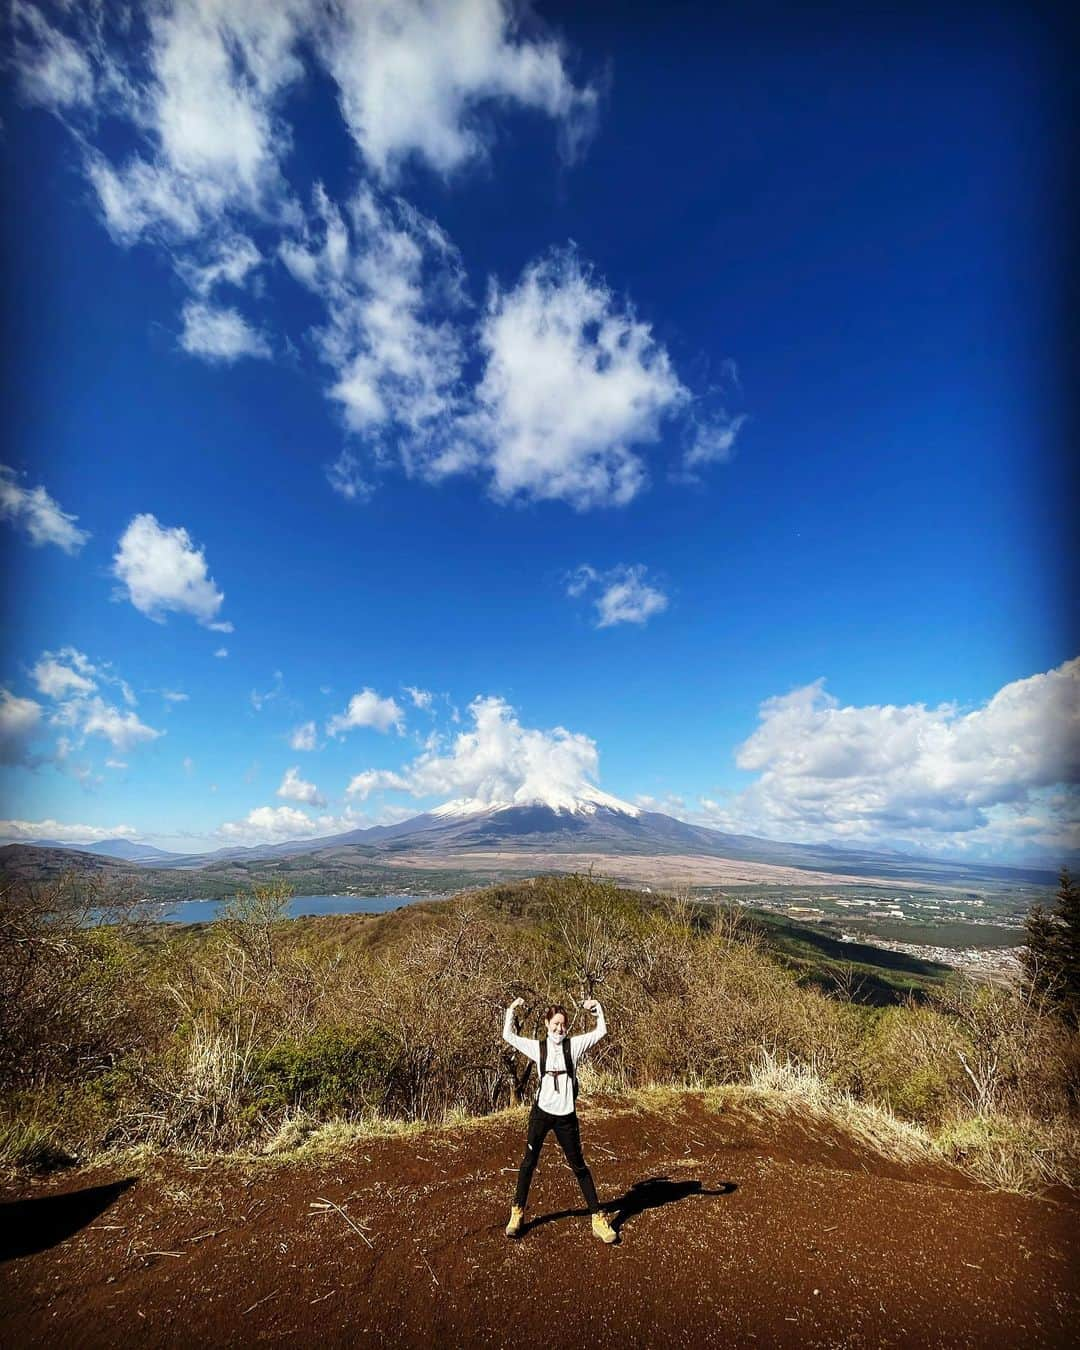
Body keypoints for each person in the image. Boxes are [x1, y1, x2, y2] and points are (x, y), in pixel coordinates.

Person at [501, 995, 617, 1243]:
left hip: (566, 1118)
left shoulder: (572, 1046)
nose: (559, 1029)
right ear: (546, 1023)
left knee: (579, 1166)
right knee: (528, 1162)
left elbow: (602, 1031)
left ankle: (597, 1217)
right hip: (542, 1114)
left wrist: (597, 1008)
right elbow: (508, 1037)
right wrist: (512, 1009)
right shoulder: (538, 1047)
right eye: (555, 1024)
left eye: (563, 1025)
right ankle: (517, 1212)